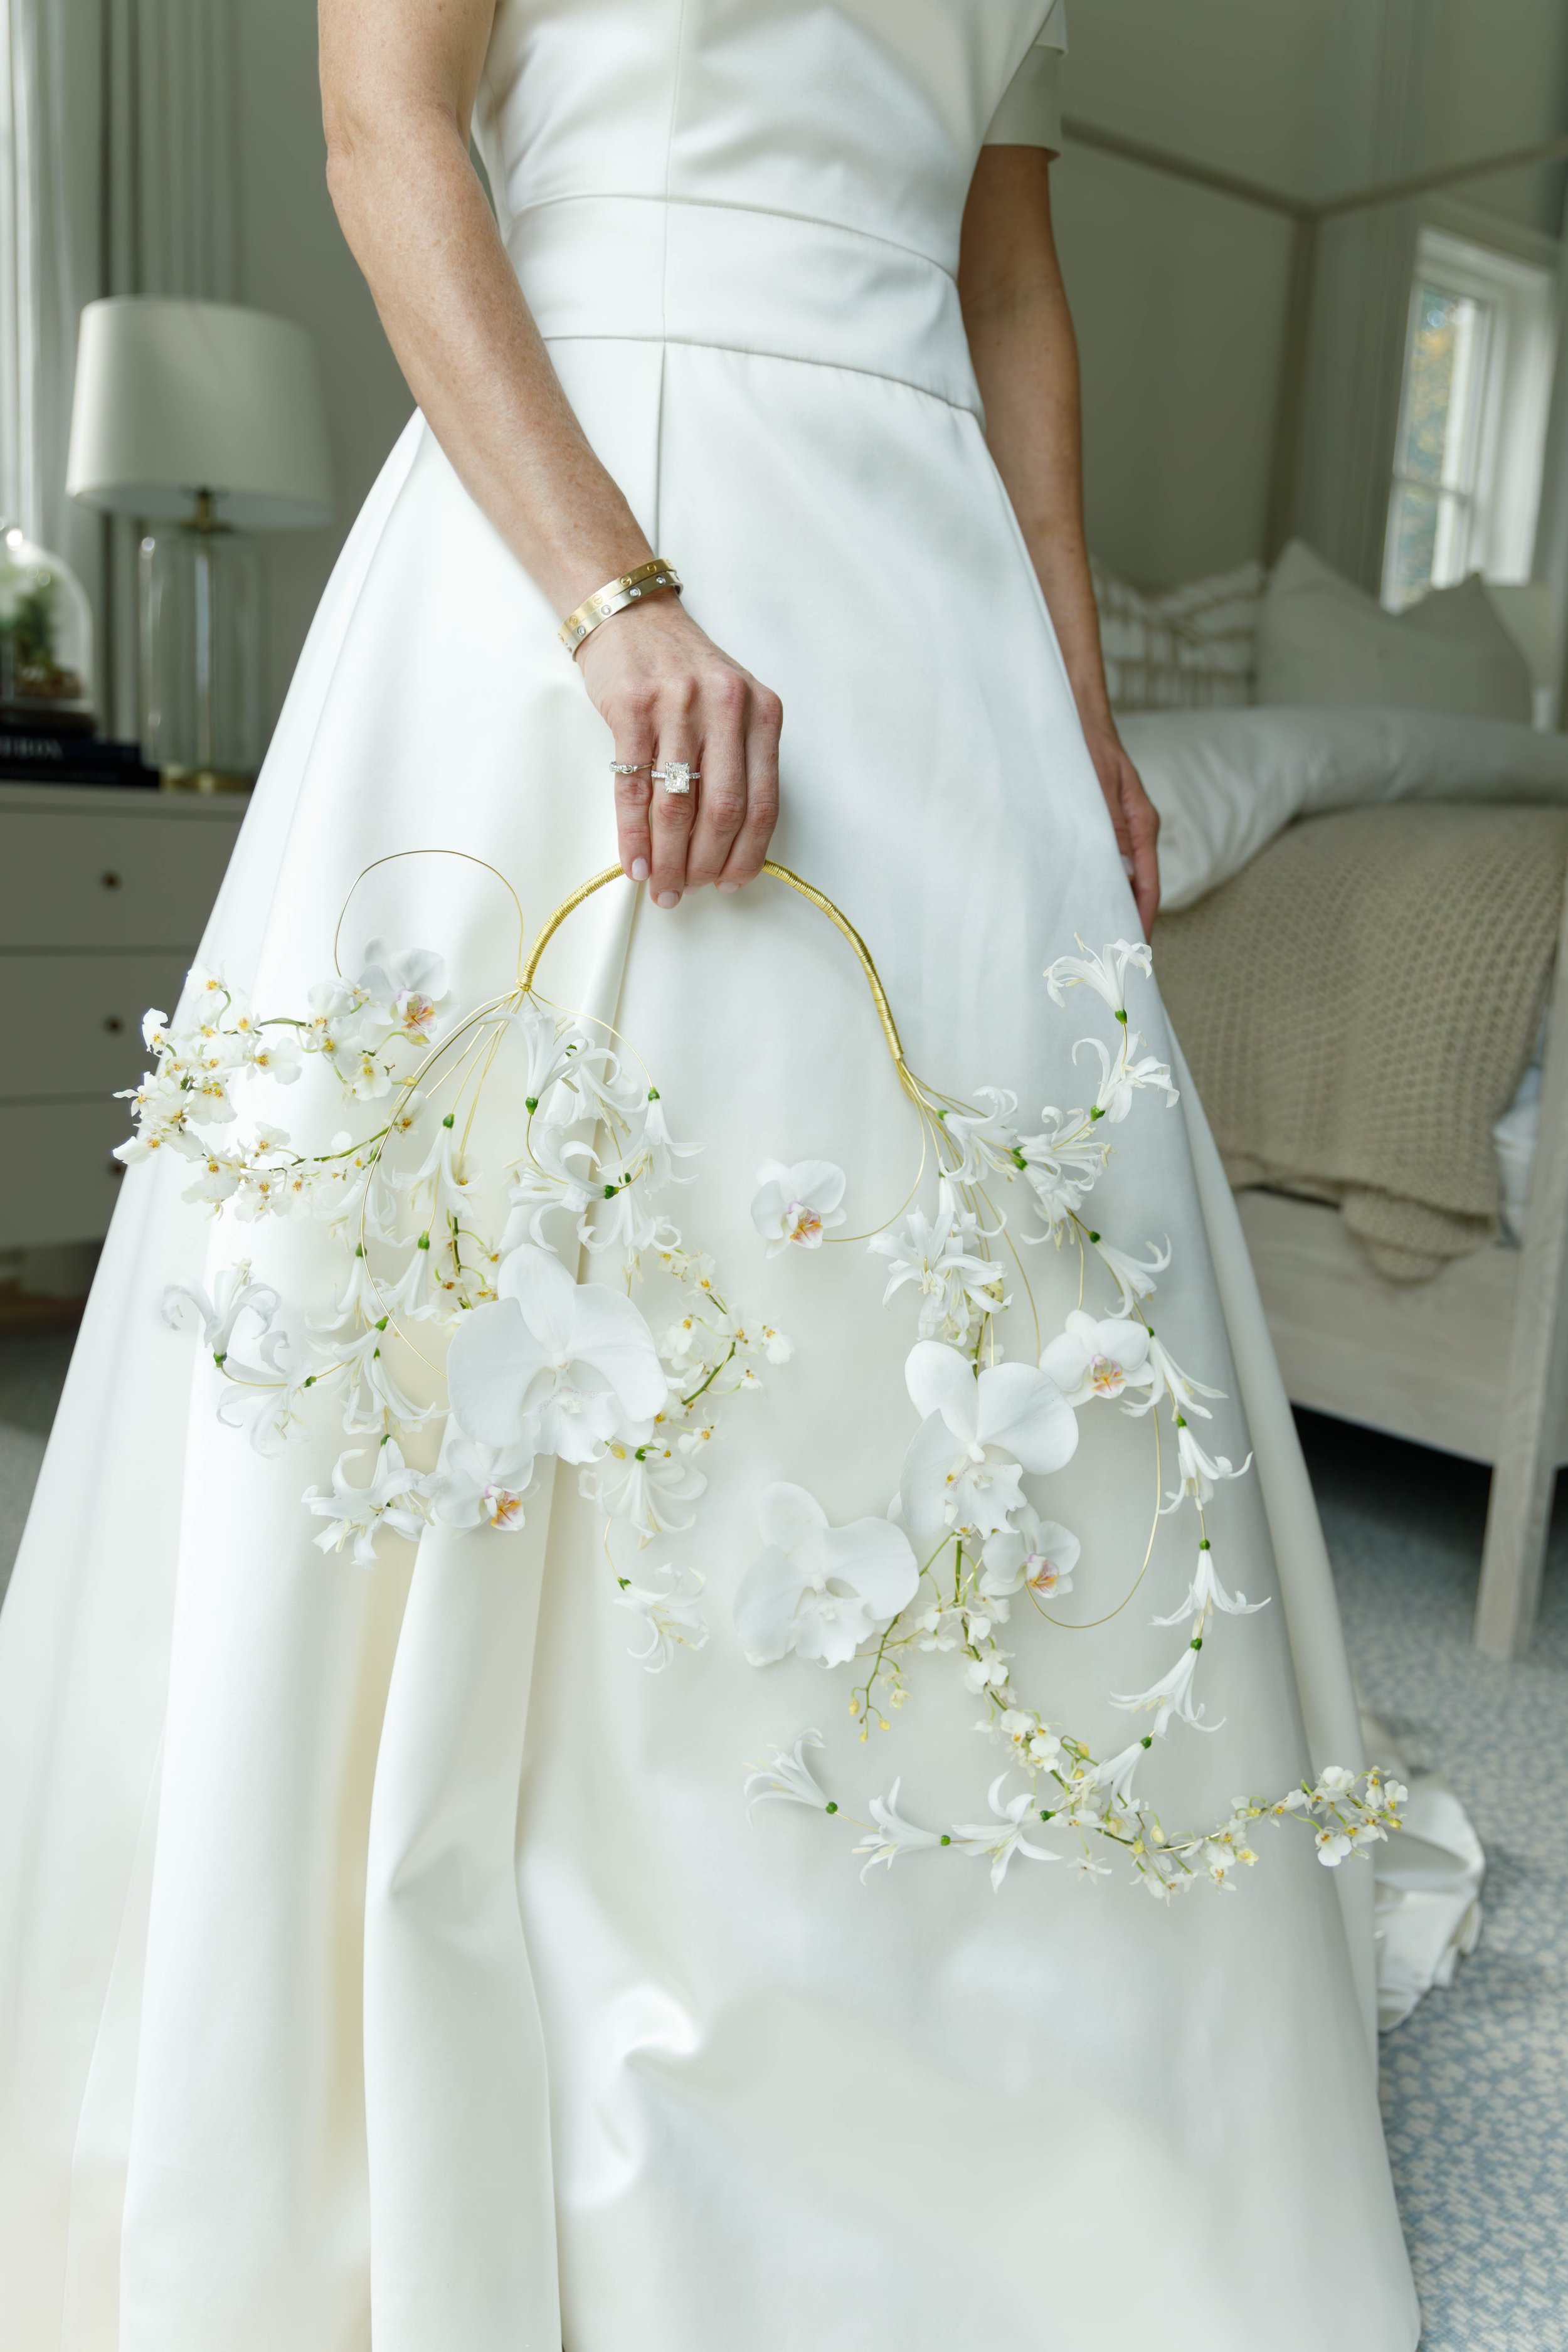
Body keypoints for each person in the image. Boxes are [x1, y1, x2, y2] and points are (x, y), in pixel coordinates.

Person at [0, 4, 1418, 2348]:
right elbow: (382, 127)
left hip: (926, 584)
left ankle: (984, 2030)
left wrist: (1077, 699)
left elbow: (1005, 279)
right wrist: (613, 593)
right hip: (589, 507)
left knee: (971, 1287)